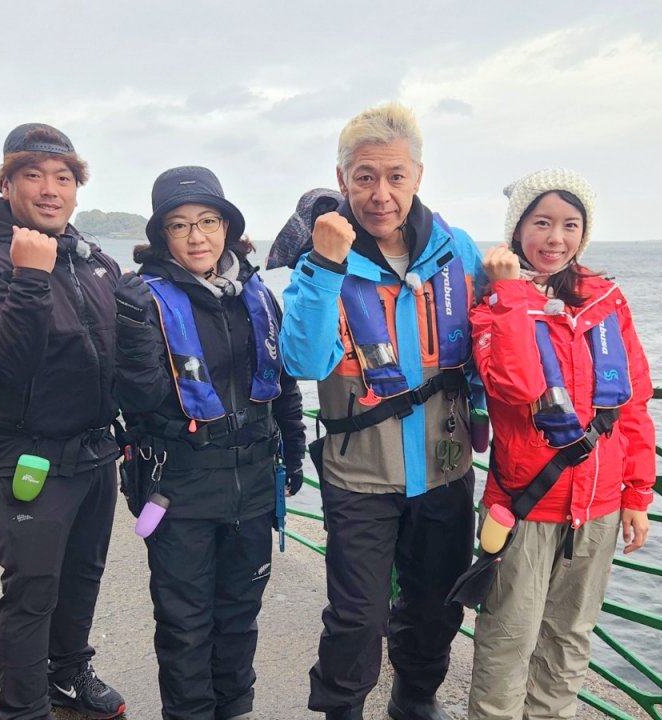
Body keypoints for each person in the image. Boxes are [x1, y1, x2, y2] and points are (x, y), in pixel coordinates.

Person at [279, 103, 485, 720]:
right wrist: (324, 266)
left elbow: (500, 338)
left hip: (445, 467)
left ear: (418, 174)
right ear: (342, 179)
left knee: (437, 605)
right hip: (359, 475)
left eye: (396, 176)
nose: (381, 194)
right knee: (357, 619)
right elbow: (302, 360)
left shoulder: (457, 249)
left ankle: (414, 699)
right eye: (365, 177)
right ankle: (342, 709)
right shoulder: (321, 257)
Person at [112, 166, 307, 720]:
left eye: (208, 221)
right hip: (179, 488)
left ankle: (235, 709)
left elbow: (283, 385)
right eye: (179, 225)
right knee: (184, 624)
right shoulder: (144, 299)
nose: (196, 236)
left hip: (254, 484)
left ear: (227, 228)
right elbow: (140, 400)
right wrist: (130, 331)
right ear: (162, 236)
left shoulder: (259, 296)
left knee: (240, 615)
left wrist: (293, 450)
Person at [465, 169, 655, 720]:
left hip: (600, 505)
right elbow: (516, 385)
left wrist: (638, 492)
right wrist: (508, 293)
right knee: (507, 640)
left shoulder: (606, 302)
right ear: (517, 228)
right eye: (542, 223)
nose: (556, 238)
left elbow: (633, 404)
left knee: (570, 640)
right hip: (526, 506)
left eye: (570, 225)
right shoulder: (493, 303)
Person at [0, 123, 126, 720]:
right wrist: (30, 277)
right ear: (7, 186)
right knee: (32, 591)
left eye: (64, 177)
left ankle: (68, 674)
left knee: (83, 575)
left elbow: (122, 351)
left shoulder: (94, 262)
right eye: (33, 175)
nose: (51, 189)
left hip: (96, 451)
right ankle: (23, 710)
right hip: (27, 456)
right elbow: (7, 366)